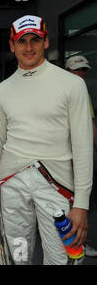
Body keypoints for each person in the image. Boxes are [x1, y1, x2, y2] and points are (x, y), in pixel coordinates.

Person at [0, 15, 93, 265]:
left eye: (35, 40)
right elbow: (1, 143)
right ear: (12, 45)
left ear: (46, 41)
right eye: (22, 41)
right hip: (12, 185)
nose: (28, 47)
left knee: (61, 258)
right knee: (19, 255)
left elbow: (82, 147)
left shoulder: (72, 84)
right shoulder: (0, 91)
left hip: (57, 185)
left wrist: (81, 204)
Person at [65, 54, 97, 257]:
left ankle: (76, 243)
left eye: (83, 70)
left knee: (80, 202)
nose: (80, 74)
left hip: (81, 154)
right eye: (76, 70)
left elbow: (91, 123)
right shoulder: (68, 89)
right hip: (66, 156)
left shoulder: (82, 90)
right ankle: (75, 245)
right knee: (71, 201)